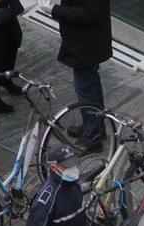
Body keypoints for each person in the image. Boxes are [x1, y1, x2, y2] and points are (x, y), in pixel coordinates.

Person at [37, 0, 112, 152]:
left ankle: (92, 136)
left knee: (86, 89)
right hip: (85, 42)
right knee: (90, 84)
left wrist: (55, 10)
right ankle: (95, 127)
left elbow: (91, 13)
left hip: (86, 44)